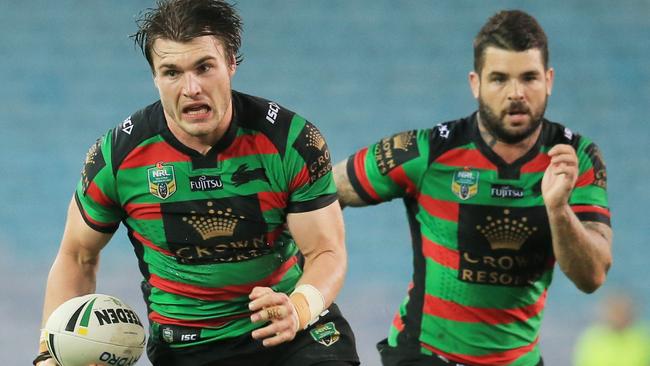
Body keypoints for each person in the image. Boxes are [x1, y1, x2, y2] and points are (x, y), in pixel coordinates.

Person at [33, 1, 359, 365]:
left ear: (231, 63)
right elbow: (77, 256)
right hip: (186, 346)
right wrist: (50, 354)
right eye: (172, 72)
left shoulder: (291, 141)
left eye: (204, 67)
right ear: (155, 77)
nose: (191, 88)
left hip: (291, 330)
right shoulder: (118, 157)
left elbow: (326, 252)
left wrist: (299, 308)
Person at [334, 9, 612, 366]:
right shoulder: (429, 150)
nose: (516, 93)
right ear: (475, 83)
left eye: (529, 78)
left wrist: (558, 210)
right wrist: (308, 285)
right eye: (499, 79)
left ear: (549, 80)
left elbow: (592, 276)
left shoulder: (576, 157)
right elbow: (327, 190)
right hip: (426, 355)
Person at [573, 291, 650, 366]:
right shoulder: (592, 337)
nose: (618, 317)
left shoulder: (642, 337)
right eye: (615, 311)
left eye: (622, 311)